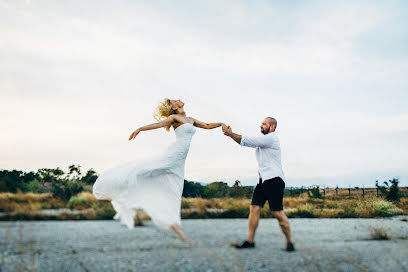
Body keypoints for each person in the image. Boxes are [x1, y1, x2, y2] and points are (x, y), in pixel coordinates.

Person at [93, 98, 225, 240]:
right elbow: (159, 124)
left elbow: (206, 125)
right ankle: (124, 186)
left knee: (175, 187)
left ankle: (174, 223)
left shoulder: (190, 119)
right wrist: (140, 129)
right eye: (175, 100)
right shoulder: (174, 117)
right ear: (174, 107)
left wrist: (221, 124)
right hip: (174, 153)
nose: (179, 99)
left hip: (180, 160)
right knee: (148, 169)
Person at [222, 117, 295, 251]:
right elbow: (248, 142)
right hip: (262, 180)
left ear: (272, 127)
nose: (261, 125)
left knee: (277, 212)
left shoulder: (271, 138)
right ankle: (250, 241)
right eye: (261, 123)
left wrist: (230, 134)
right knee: (254, 208)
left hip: (274, 180)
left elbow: (249, 141)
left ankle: (290, 242)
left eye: (264, 124)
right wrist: (231, 135)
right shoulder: (265, 140)